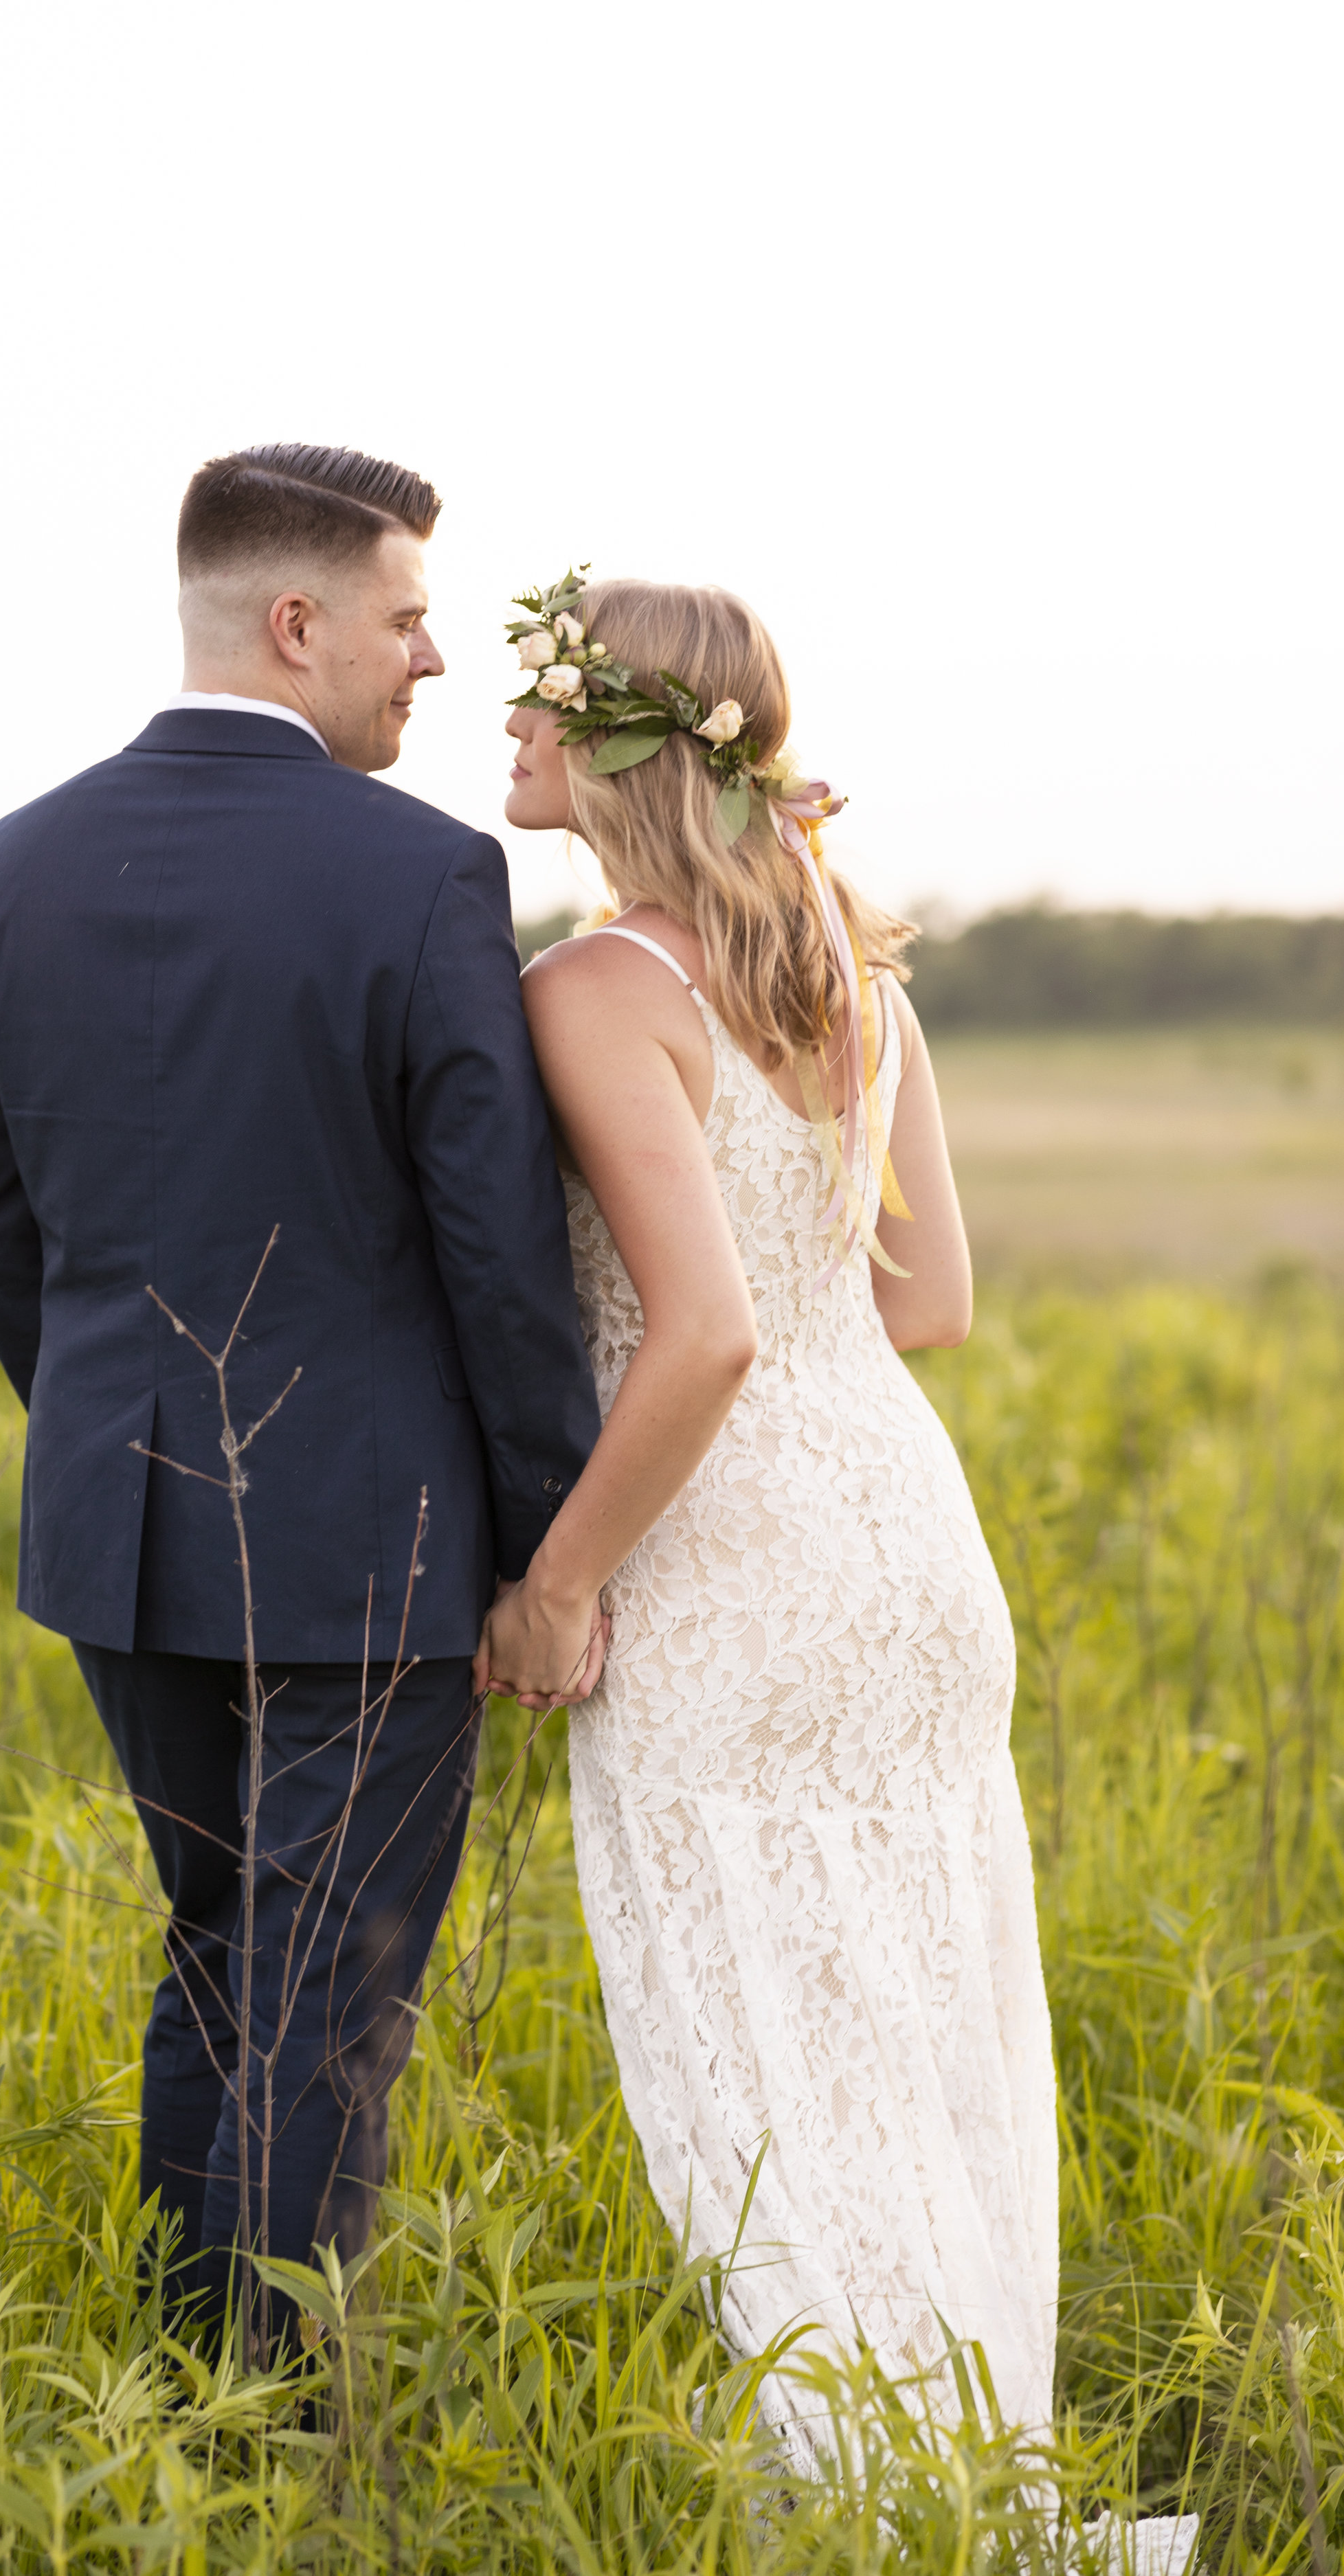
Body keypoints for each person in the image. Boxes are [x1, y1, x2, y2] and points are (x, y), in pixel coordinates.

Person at [0, 447, 603, 2341]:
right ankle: (275, 2435)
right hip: (369, 1543)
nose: (437, 662)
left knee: (225, 1960)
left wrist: (100, 1435)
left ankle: (181, 2398)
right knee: (334, 1986)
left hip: (116, 1522)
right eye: (407, 619)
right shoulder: (421, 874)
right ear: (295, 623)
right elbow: (497, 1251)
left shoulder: (9, 858)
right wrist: (552, 1542)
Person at [478, 570, 1060, 2461]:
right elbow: (924, 1303)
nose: (505, 739)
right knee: (916, 2020)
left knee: (764, 2047)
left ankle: (877, 2504)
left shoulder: (588, 990)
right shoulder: (848, 966)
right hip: (902, 1531)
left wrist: (558, 1587)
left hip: (733, 1566)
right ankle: (970, 2470)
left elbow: (703, 1337)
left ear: (617, 740)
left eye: (531, 710)